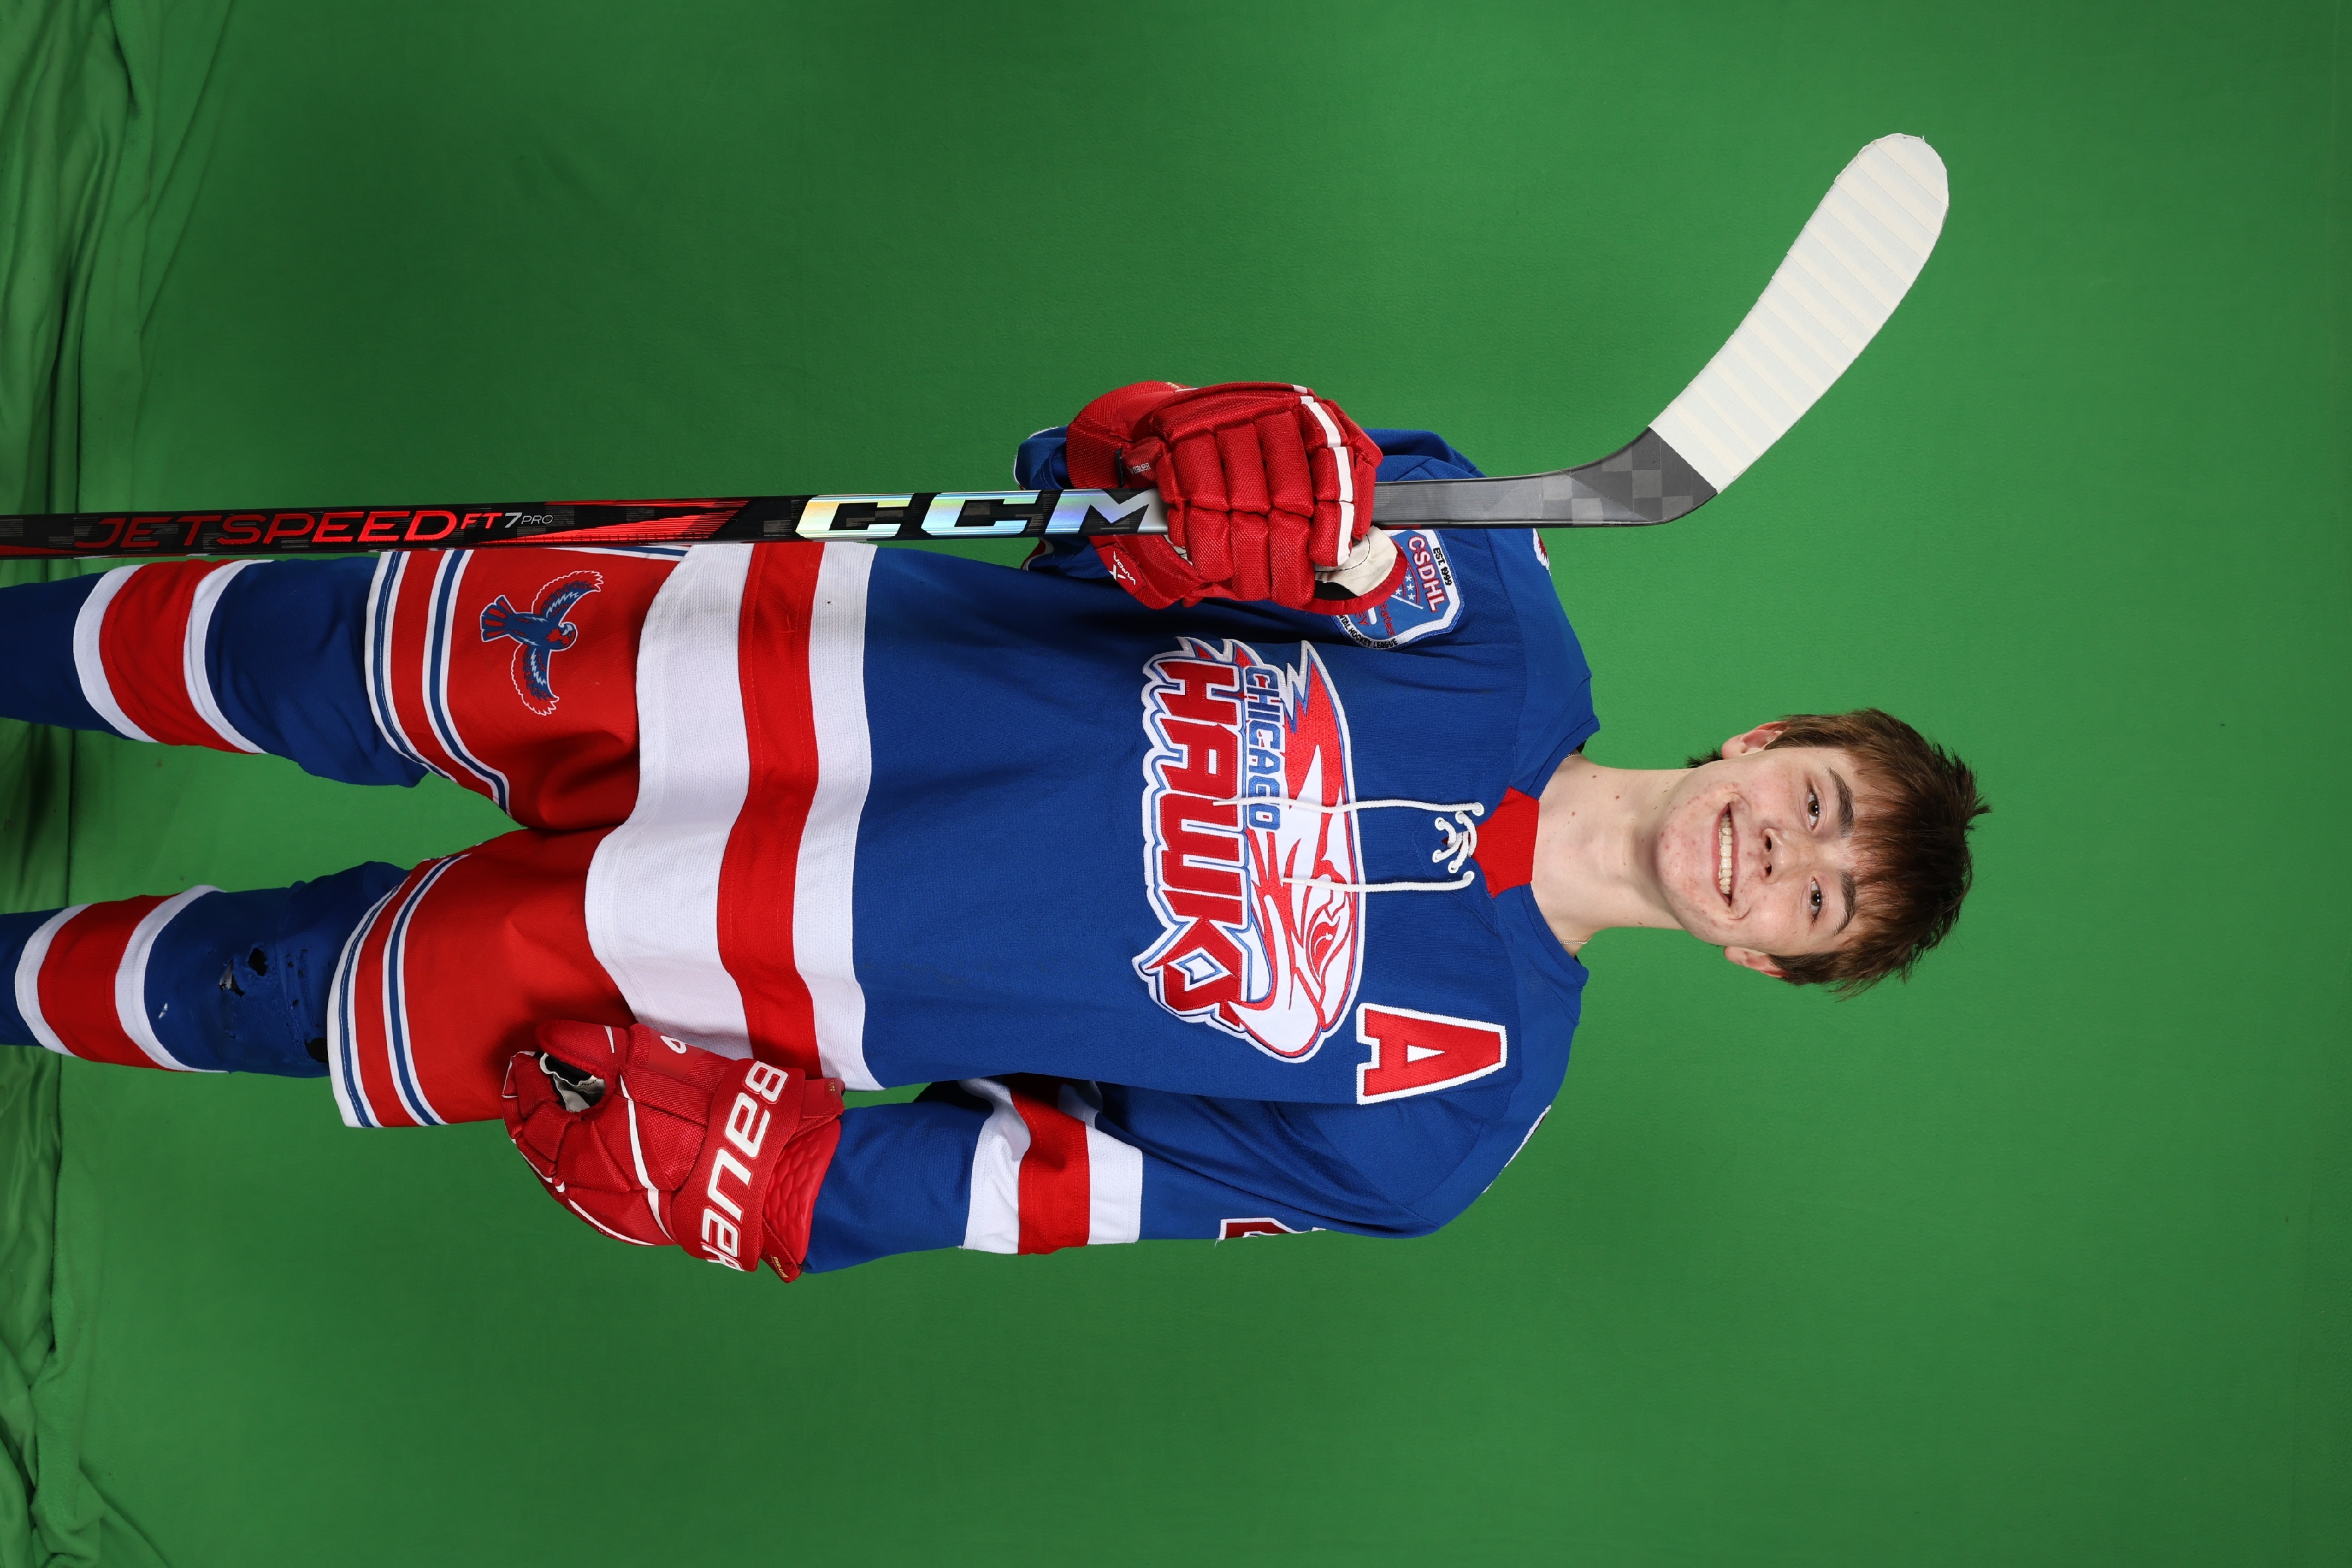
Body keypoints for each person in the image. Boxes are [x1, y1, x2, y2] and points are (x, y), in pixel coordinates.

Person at [0, 382, 1987, 1279]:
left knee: (278, 989)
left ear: (1767, 961)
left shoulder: (1448, 1125)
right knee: (288, 650)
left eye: (1816, 902)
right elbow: (1098, 473)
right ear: (1770, 737)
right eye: (1815, 805)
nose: (1779, 855)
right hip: (751, 654)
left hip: (738, 958)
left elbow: (1065, 1183)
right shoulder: (1488, 595)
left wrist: (800, 1193)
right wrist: (1197, 451)